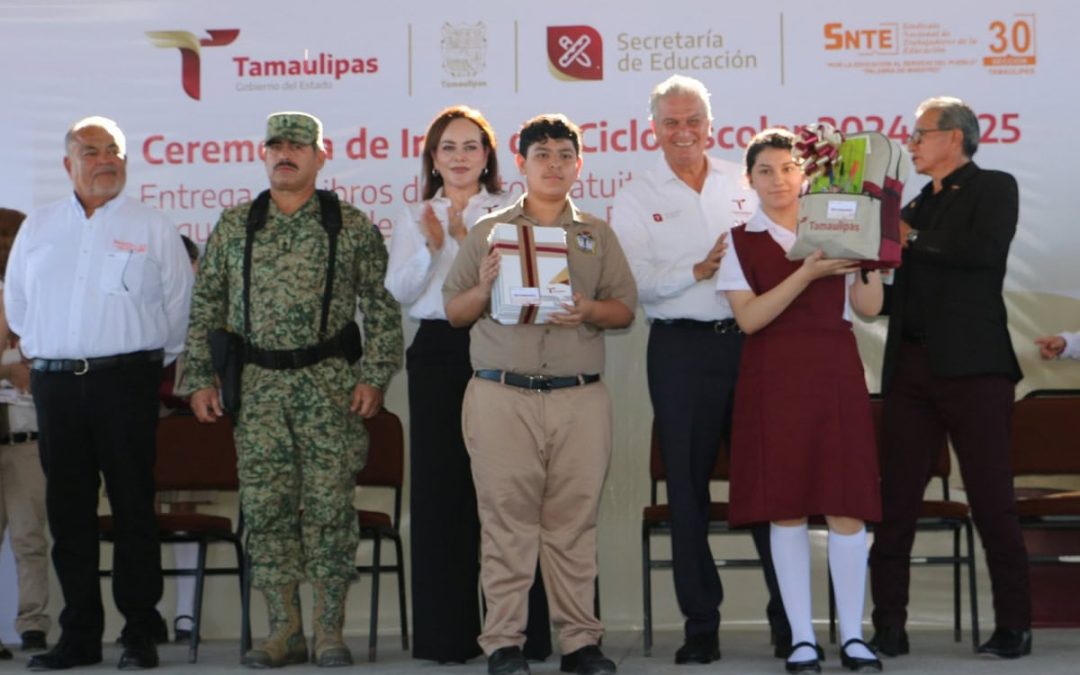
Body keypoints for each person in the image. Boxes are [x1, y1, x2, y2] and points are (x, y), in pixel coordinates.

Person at [183, 111, 404, 668]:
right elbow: (205, 306)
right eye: (276, 145)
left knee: (330, 509)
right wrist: (199, 379)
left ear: (319, 155)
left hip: (329, 389)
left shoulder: (348, 225)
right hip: (255, 391)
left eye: (297, 146)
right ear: (263, 154)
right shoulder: (237, 225)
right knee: (266, 510)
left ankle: (330, 631)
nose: (286, 154)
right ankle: (284, 631)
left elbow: (381, 307)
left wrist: (373, 377)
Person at [443, 114, 636, 675]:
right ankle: (504, 643)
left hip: (579, 398)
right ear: (521, 164)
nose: (554, 164)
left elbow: (623, 309)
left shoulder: (597, 234)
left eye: (564, 155)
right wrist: (483, 283)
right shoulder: (488, 231)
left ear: (580, 164)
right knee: (506, 522)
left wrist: (590, 310)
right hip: (502, 396)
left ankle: (580, 642)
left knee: (574, 523)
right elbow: (454, 312)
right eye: (542, 155)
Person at [610, 74, 790, 664]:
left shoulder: (745, 181)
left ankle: (790, 622)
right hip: (681, 352)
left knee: (767, 484)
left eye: (693, 120)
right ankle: (701, 626)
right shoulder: (634, 195)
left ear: (711, 125)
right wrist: (698, 269)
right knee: (686, 491)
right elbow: (631, 288)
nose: (683, 132)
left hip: (753, 346)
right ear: (653, 128)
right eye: (671, 122)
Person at [4, 116, 194, 670]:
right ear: (68, 165)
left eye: (114, 151)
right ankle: (79, 636)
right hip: (56, 385)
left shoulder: (153, 226)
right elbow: (18, 308)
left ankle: (139, 633)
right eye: (91, 151)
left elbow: (179, 308)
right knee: (68, 513)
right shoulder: (37, 228)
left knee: (134, 507)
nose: (105, 160)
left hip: (126, 382)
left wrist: (143, 364)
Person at [384, 105, 551, 664]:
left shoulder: (512, 211)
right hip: (436, 353)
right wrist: (437, 247)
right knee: (441, 494)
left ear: (488, 158)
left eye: (471, 147)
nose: (459, 157)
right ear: (434, 158)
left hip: (500, 346)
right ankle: (447, 637)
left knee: (509, 495)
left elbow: (528, 285)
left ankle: (522, 635)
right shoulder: (415, 215)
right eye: (448, 147)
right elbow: (402, 293)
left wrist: (467, 242)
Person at [867, 96, 1032, 659]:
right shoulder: (914, 202)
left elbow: (978, 254)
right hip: (911, 371)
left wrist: (901, 235)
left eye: (920, 134)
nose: (910, 143)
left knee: (991, 499)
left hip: (975, 370)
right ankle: (888, 623)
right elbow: (903, 295)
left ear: (954, 138)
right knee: (895, 502)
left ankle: (1014, 625)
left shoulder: (993, 187)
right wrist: (855, 277)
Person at [717, 129, 884, 674]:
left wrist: (869, 259)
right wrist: (807, 272)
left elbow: (868, 305)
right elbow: (750, 318)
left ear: (804, 174)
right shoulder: (741, 240)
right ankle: (801, 639)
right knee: (784, 507)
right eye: (765, 170)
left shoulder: (838, 226)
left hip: (834, 372)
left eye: (788, 168)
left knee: (845, 503)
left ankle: (856, 637)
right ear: (750, 180)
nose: (779, 180)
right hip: (774, 376)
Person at [0, 208, 50, 658]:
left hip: (27, 439)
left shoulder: (40, 293)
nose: (4, 244)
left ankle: (33, 625)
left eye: (11, 235)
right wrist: (8, 365)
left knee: (31, 539)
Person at [156, 234, 204, 645]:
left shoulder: (209, 312)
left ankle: (187, 616)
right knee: (139, 512)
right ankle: (148, 613)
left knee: (185, 509)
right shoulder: (144, 305)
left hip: (190, 420)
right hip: (145, 417)